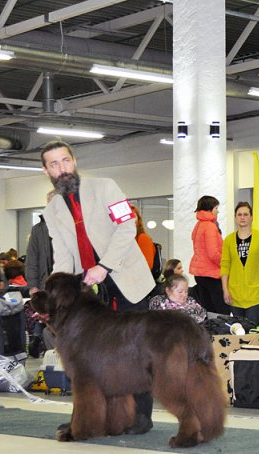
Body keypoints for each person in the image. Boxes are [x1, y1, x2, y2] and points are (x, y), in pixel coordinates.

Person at [41, 140, 155, 435]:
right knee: (92, 357)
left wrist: (104, 266)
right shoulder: (52, 210)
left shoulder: (106, 187)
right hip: (89, 291)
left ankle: (141, 416)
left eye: (65, 161)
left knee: (135, 351)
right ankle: (88, 416)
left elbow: (127, 228)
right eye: (53, 164)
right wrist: (55, 292)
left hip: (127, 280)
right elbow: (62, 255)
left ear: (74, 161)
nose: (61, 168)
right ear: (46, 171)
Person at [220, 201, 259, 324]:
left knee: (251, 328)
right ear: (235, 218)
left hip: (256, 292)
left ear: (251, 217)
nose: (242, 217)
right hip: (235, 293)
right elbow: (225, 265)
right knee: (238, 329)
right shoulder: (228, 240)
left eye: (245, 214)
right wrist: (225, 289)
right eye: (239, 214)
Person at [189, 195, 229, 314]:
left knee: (208, 310)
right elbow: (213, 254)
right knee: (222, 311)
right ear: (210, 209)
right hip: (212, 274)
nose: (218, 211)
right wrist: (226, 264)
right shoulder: (210, 226)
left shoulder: (198, 225)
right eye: (216, 208)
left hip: (200, 273)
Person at [25, 191, 55, 294]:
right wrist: (33, 285)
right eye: (49, 202)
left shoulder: (72, 225)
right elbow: (31, 259)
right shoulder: (38, 230)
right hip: (45, 284)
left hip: (68, 285)